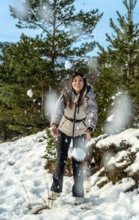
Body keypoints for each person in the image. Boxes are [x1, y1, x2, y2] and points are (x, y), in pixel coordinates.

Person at [49, 72, 98, 205]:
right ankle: (55, 190)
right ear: (71, 82)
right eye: (75, 80)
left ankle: (78, 193)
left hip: (80, 131)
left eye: (80, 81)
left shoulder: (89, 96)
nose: (77, 83)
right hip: (64, 130)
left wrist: (89, 129)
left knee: (77, 162)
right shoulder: (66, 93)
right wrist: (54, 124)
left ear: (84, 83)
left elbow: (92, 112)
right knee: (60, 160)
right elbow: (58, 109)